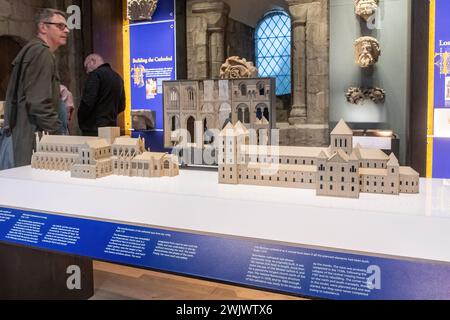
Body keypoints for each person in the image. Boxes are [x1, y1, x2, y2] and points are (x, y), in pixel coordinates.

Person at [4, 8, 69, 167]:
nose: (66, 30)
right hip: (32, 139)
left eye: (66, 27)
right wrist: (57, 135)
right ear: (43, 27)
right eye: (60, 26)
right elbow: (38, 102)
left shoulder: (33, 50)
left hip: (24, 135)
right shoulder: (41, 53)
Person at [78, 54, 126, 136]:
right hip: (111, 129)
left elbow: (88, 102)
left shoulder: (95, 75)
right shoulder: (118, 78)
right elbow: (122, 106)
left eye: (86, 67)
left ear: (92, 61)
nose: (86, 72)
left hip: (93, 129)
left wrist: (81, 119)